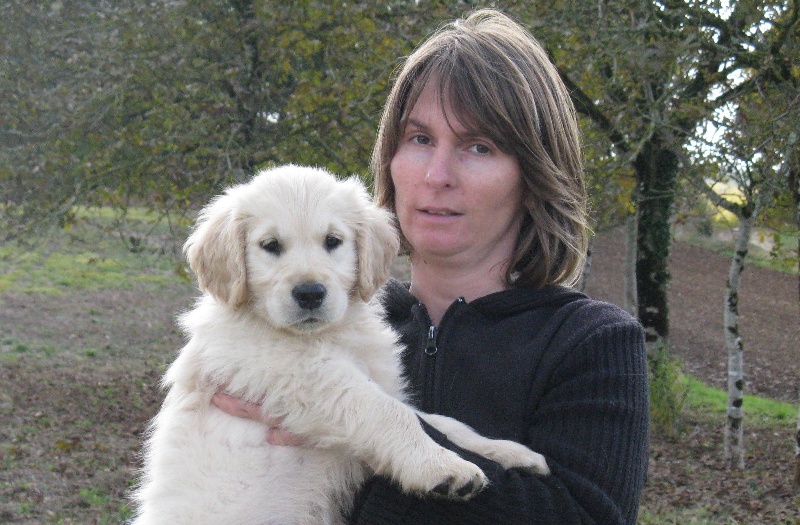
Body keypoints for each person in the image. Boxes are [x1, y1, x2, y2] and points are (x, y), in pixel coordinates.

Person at [214, 8, 649, 524]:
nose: (437, 175)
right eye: (420, 139)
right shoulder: (325, 324)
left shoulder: (588, 343)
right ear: (390, 159)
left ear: (534, 175)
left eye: (479, 146)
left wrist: (370, 460)